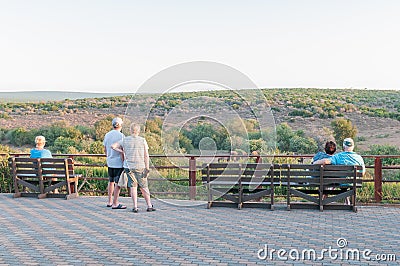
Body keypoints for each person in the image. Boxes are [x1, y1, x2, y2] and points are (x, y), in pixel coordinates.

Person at [111, 123, 155, 213]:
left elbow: (113, 146)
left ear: (130, 130)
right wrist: (147, 168)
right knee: (144, 187)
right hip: (140, 166)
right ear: (138, 131)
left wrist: (122, 151)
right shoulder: (142, 140)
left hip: (129, 167)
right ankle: (149, 205)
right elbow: (146, 156)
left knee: (133, 187)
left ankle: (135, 206)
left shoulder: (125, 140)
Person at [103, 117, 126, 209]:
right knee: (118, 183)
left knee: (111, 181)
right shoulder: (121, 136)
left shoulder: (107, 135)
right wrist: (124, 161)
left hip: (110, 161)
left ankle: (109, 201)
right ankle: (115, 202)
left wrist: (108, 157)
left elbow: (105, 148)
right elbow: (123, 150)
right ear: (120, 125)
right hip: (118, 162)